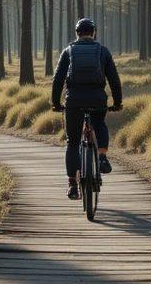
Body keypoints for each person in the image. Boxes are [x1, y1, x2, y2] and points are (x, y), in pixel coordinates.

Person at [51, 18, 123, 200]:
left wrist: (56, 103)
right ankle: (102, 157)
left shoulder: (68, 51)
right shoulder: (102, 51)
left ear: (77, 34)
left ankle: (72, 185)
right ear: (93, 33)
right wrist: (117, 102)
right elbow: (114, 79)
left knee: (73, 142)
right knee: (99, 123)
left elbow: (58, 80)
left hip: (74, 101)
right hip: (97, 99)